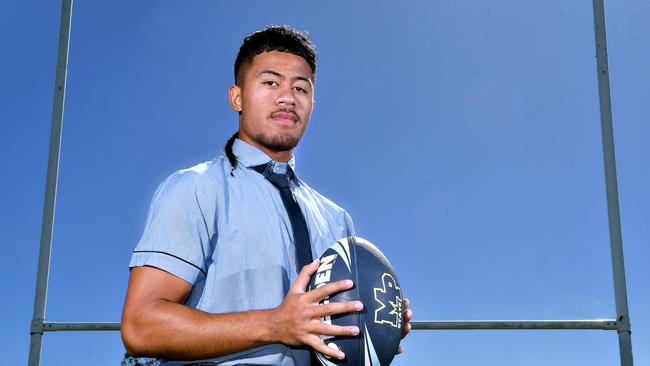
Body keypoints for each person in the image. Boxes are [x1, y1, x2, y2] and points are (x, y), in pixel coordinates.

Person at [121, 25, 412, 365]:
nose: (287, 97)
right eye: (271, 83)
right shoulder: (196, 188)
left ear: (312, 104)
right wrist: (276, 324)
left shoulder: (336, 217)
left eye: (300, 88)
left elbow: (335, 329)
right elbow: (141, 327)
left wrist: (370, 323)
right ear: (237, 97)